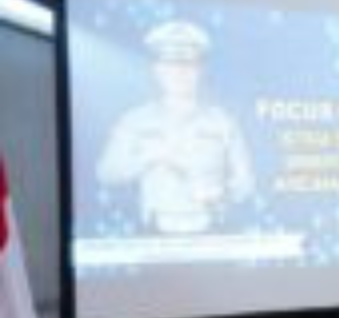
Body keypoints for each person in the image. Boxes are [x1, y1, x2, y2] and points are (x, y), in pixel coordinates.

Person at [96, 20, 254, 235]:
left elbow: (246, 184)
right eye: (171, 66)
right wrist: (148, 157)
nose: (180, 74)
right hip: (153, 232)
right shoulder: (135, 121)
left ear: (200, 71)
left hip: (211, 230)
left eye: (188, 66)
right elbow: (107, 173)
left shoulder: (223, 122)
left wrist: (221, 193)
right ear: (157, 71)